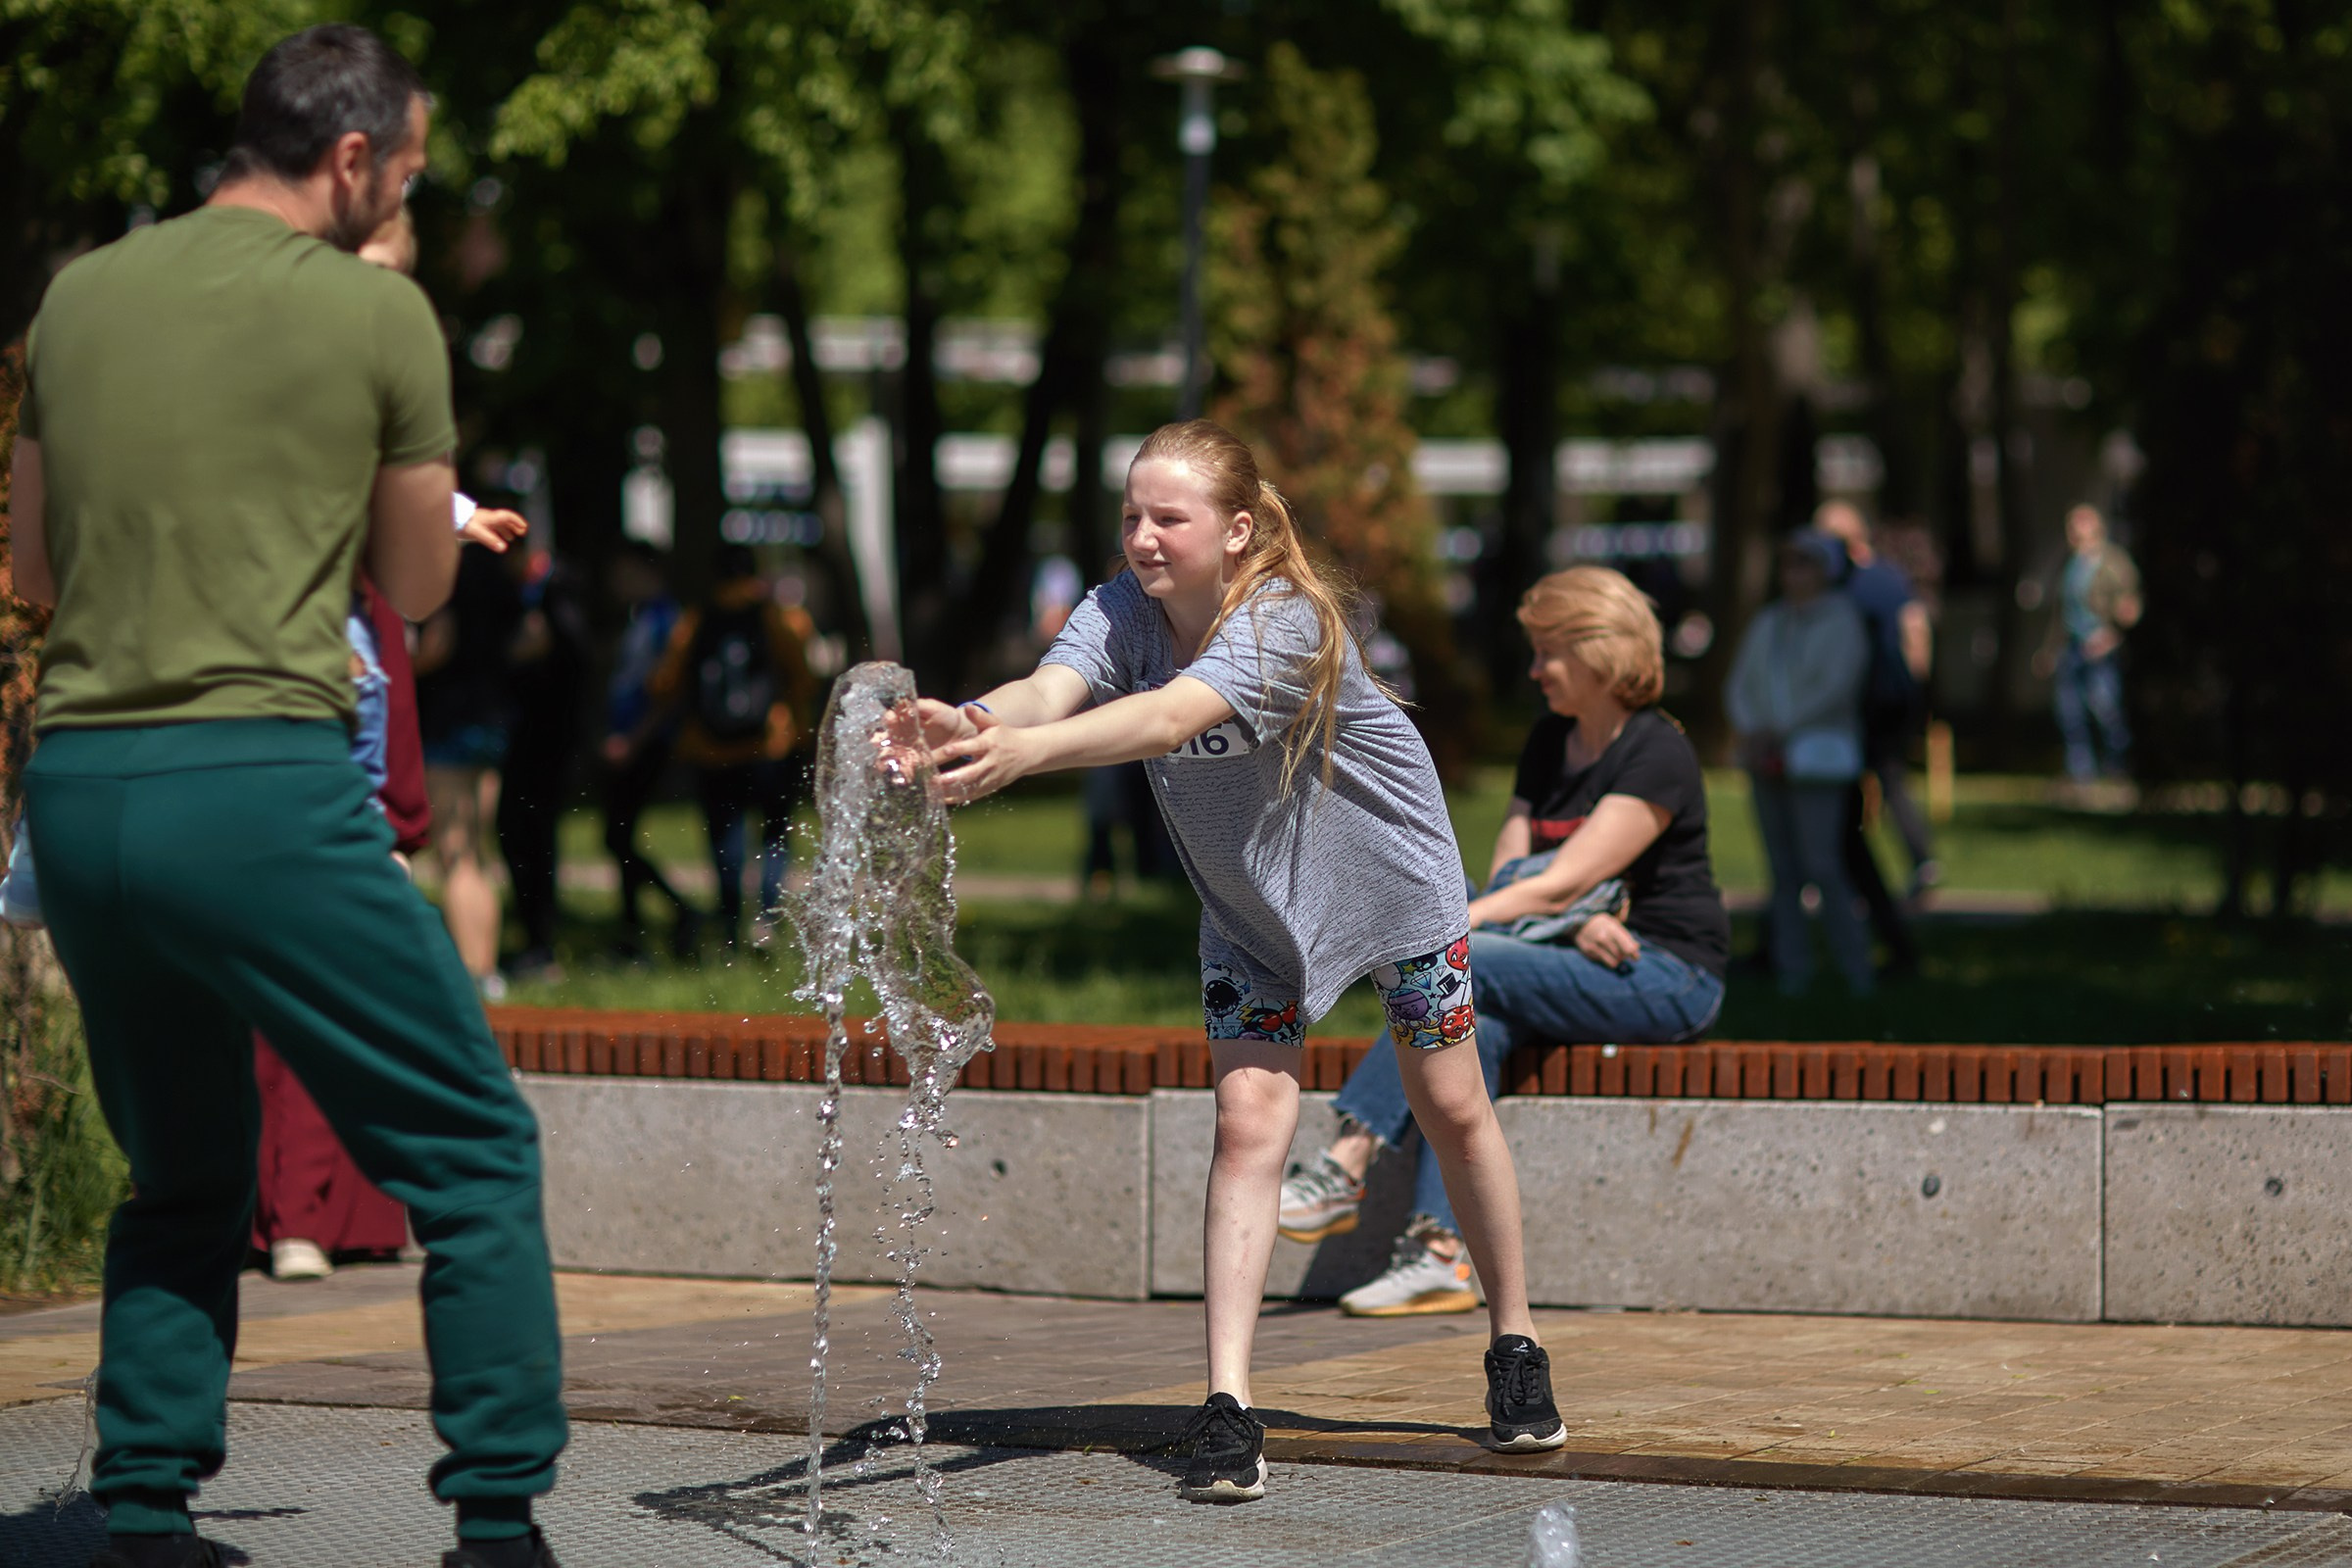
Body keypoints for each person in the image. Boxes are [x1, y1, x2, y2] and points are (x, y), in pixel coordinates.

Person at [11, 24, 565, 1567]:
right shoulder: (374, 311)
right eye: (413, 173)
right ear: (353, 160)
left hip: (82, 794)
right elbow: (416, 586)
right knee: (473, 1147)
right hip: (257, 785)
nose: (411, 197)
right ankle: (500, 1521)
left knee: (184, 1170)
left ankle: (142, 1507)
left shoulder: (80, 296)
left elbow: (33, 574)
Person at [909, 419, 1566, 1505]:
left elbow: (1170, 717)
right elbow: (1049, 687)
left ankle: (1515, 1341)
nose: (1143, 537)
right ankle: (1227, 1402)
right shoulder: (1123, 607)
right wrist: (975, 720)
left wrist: (1024, 757)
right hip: (1251, 906)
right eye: (1132, 515)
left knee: (1451, 1106)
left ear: (1238, 529)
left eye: (1168, 518)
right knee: (1248, 1124)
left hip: (1395, 888)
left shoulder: (1285, 620)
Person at [1278, 566, 1730, 1314]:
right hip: (1564, 954)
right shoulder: (1551, 742)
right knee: (1469, 1023)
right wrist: (1572, 921)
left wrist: (1484, 925)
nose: (1536, 669)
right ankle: (1440, 1254)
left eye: (1550, 651)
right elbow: (1514, 877)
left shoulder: (1657, 752)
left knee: (1461, 963)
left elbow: (1554, 884)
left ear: (1601, 650)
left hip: (1664, 974)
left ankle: (1345, 1162)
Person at [1725, 531, 1876, 997]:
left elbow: (1836, 687)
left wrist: (1782, 726)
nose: (1795, 575)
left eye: (1805, 565)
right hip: (1766, 757)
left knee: (1822, 864)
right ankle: (1793, 971)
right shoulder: (1770, 621)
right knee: (1782, 871)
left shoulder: (1842, 620)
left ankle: (1857, 970)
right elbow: (1740, 683)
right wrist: (1753, 728)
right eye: (1790, 565)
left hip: (1815, 759)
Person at [652, 543, 817, 950]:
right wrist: (799, 728)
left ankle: (729, 923)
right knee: (774, 834)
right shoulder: (779, 617)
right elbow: (804, 676)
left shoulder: (696, 620)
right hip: (772, 744)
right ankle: (766, 920)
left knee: (725, 837)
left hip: (710, 748)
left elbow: (665, 682)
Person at [599, 541, 698, 959]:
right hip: (625, 740)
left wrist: (633, 739)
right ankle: (632, 930)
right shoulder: (639, 617)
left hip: (646, 742)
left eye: (624, 572)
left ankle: (681, 912)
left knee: (617, 836)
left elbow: (668, 693)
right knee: (618, 835)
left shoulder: (665, 620)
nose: (616, 582)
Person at [496, 543, 590, 980]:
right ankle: (534, 936)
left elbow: (565, 654)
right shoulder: (529, 595)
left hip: (546, 742)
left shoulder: (557, 593)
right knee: (519, 836)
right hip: (530, 740)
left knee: (533, 838)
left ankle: (540, 940)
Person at [2036, 503, 2141, 784]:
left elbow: (2130, 605)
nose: (2073, 531)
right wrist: (2048, 650)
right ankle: (2080, 774)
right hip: (2071, 647)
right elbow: (2061, 613)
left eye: (2080, 524)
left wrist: (2111, 635)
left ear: (2096, 527)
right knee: (2070, 712)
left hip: (2099, 646)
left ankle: (2118, 768)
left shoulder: (2113, 562)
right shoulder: (2070, 564)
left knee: (2107, 709)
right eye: (2071, 526)